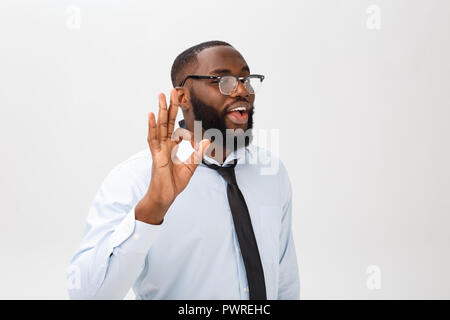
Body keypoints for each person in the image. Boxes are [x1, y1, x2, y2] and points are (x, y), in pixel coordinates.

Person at [67, 40, 300, 300]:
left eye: (246, 79)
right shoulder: (134, 178)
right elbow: (86, 295)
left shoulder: (271, 172)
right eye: (223, 80)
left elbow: (285, 277)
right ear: (182, 97)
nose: (242, 90)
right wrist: (153, 208)